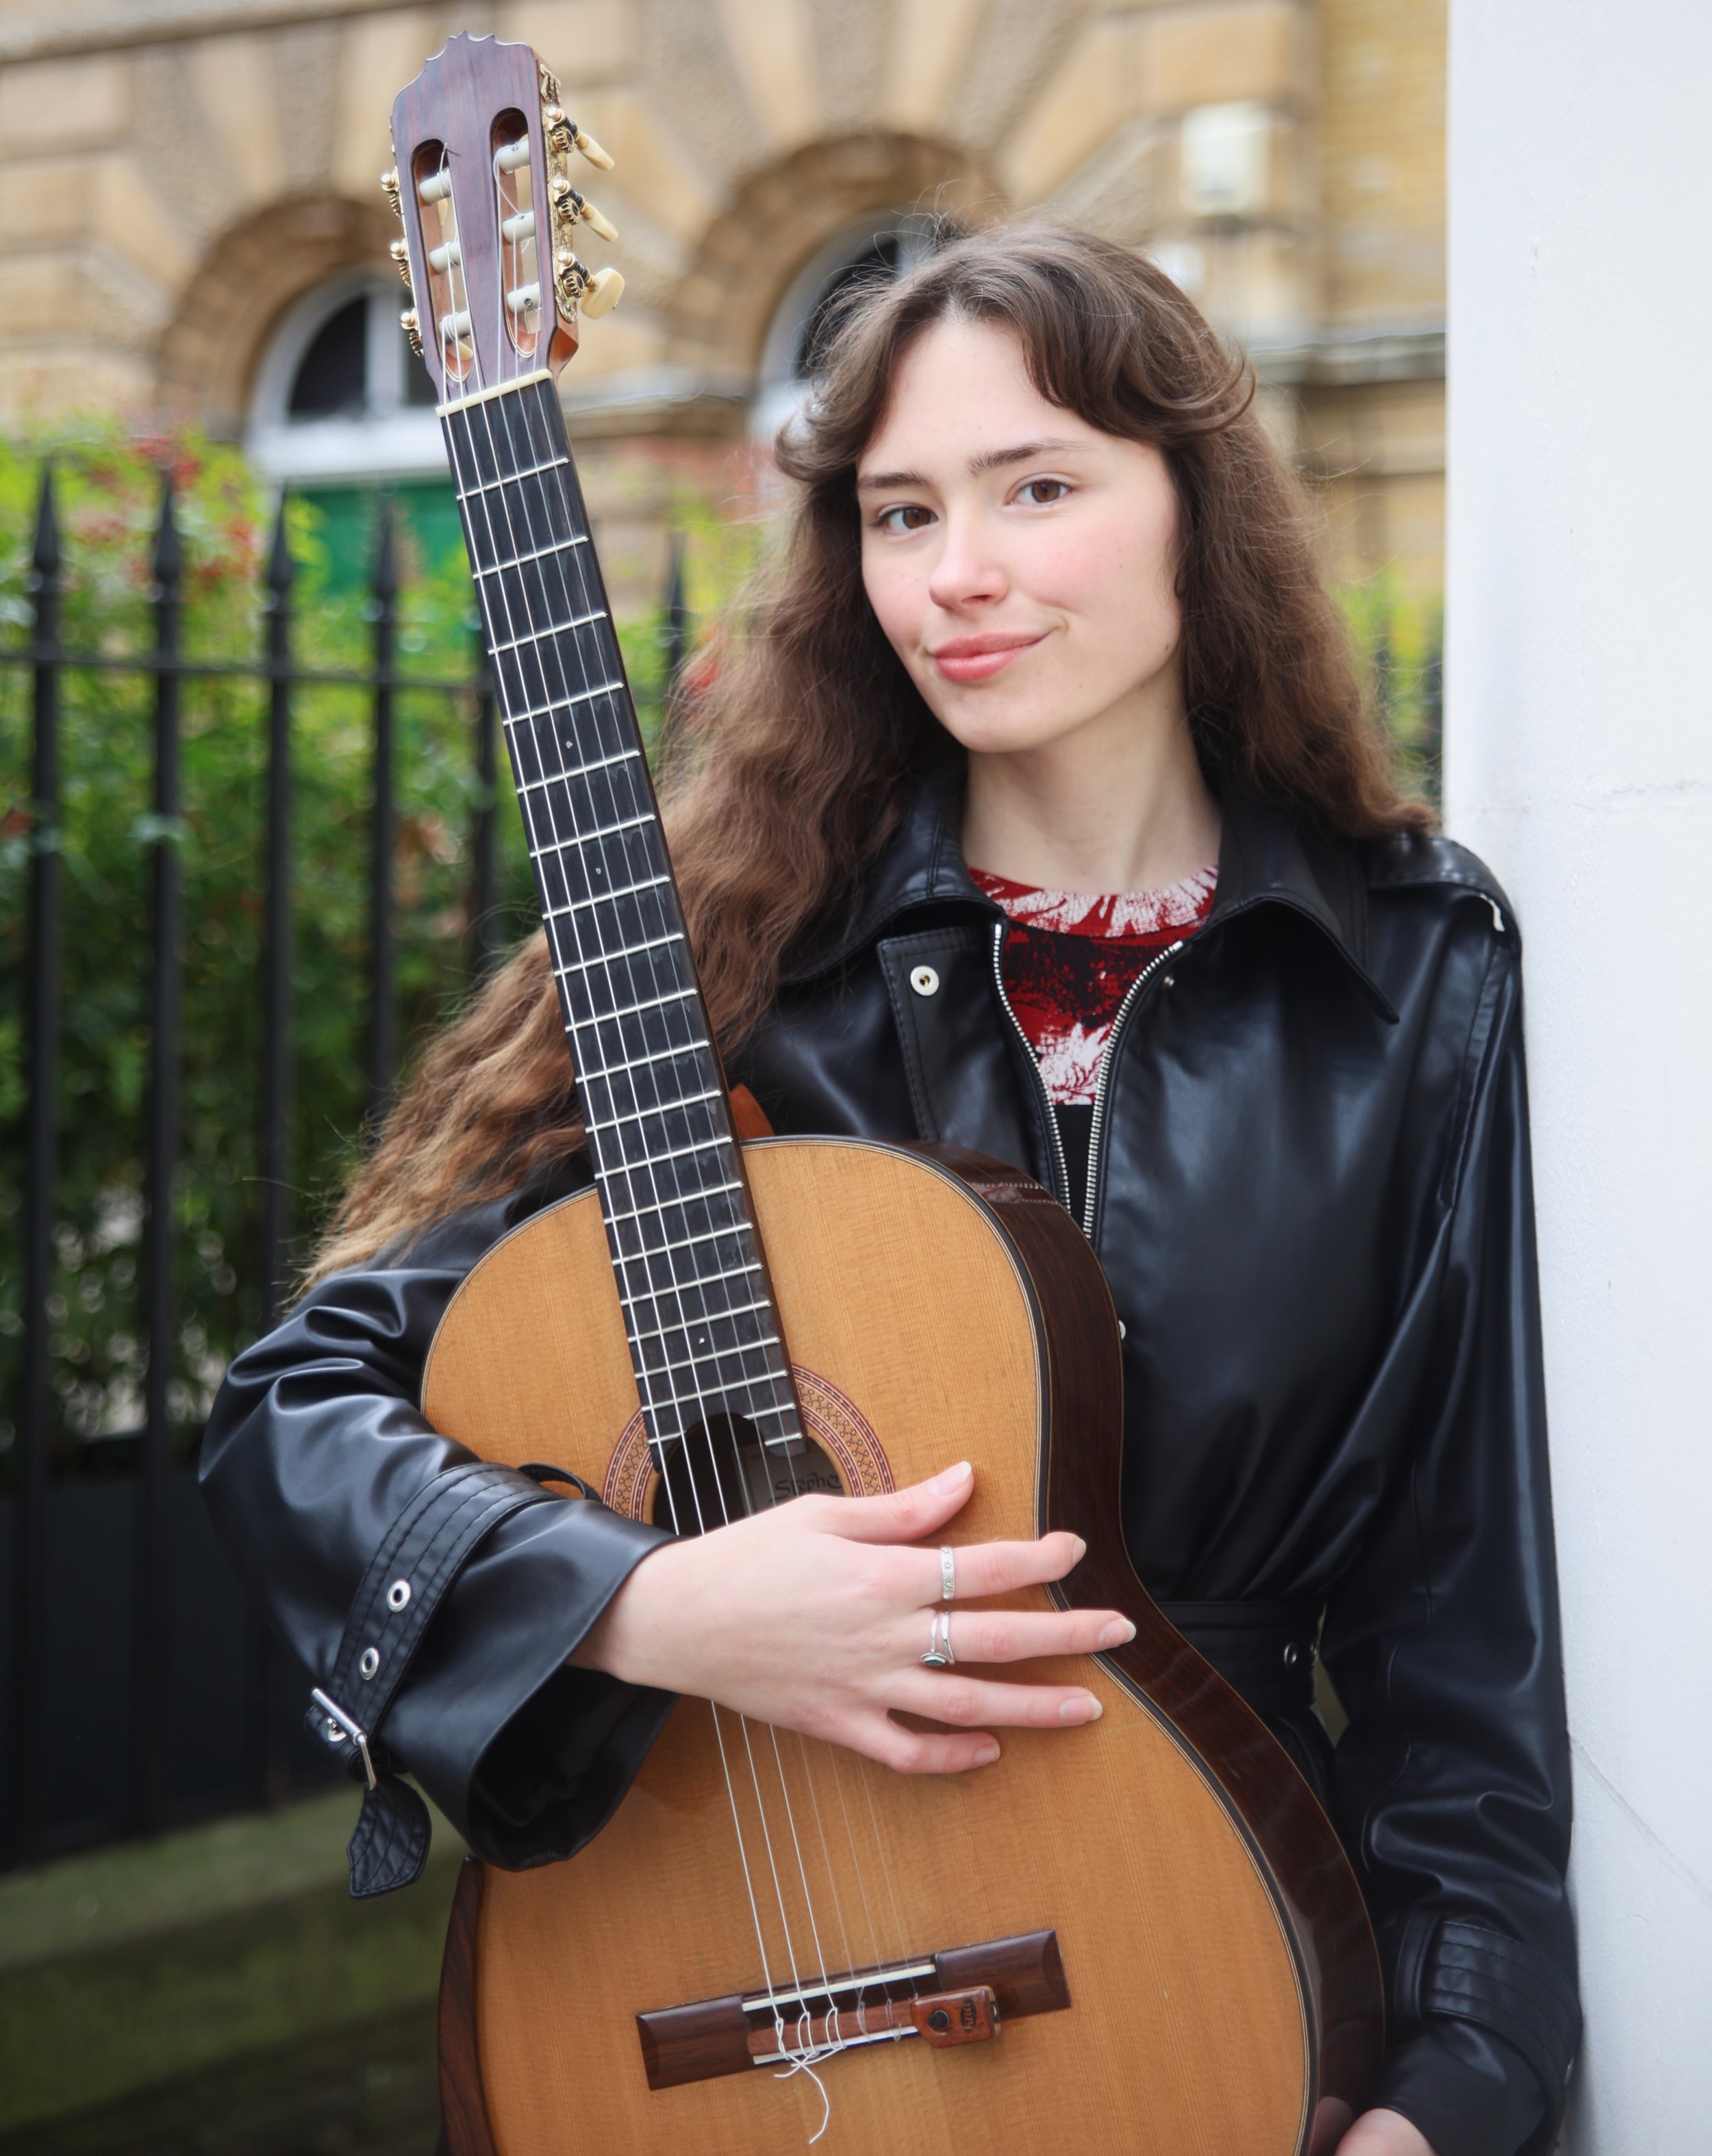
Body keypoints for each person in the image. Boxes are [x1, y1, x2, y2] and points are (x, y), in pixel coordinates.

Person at [202, 226, 1578, 2155]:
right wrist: (647, 1605)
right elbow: (296, 1413)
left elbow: (1465, 1630)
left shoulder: (1412, 979)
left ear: (1196, 511)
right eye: (898, 510)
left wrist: (1457, 2092)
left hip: (1215, 1958)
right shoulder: (723, 960)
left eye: (1038, 487)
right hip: (695, 1957)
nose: (960, 576)